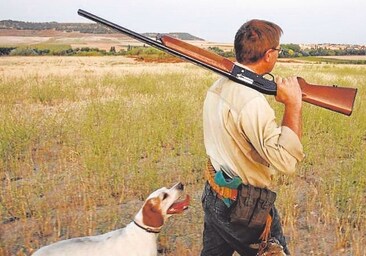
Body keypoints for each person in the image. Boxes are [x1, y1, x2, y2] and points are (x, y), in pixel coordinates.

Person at [200, 19, 304, 256]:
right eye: (278, 50)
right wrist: (293, 105)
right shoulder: (251, 101)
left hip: (215, 193)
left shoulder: (219, 84)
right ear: (269, 55)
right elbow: (286, 161)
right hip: (245, 209)